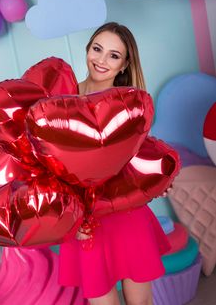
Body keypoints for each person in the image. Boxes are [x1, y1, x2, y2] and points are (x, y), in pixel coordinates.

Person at [59, 22, 170, 305]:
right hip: (87, 220)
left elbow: (140, 157)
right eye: (97, 49)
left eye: (113, 55)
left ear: (124, 64)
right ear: (87, 50)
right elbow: (49, 165)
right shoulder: (61, 98)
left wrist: (157, 180)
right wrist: (70, 219)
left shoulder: (131, 104)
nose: (101, 60)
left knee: (140, 302)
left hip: (128, 214)